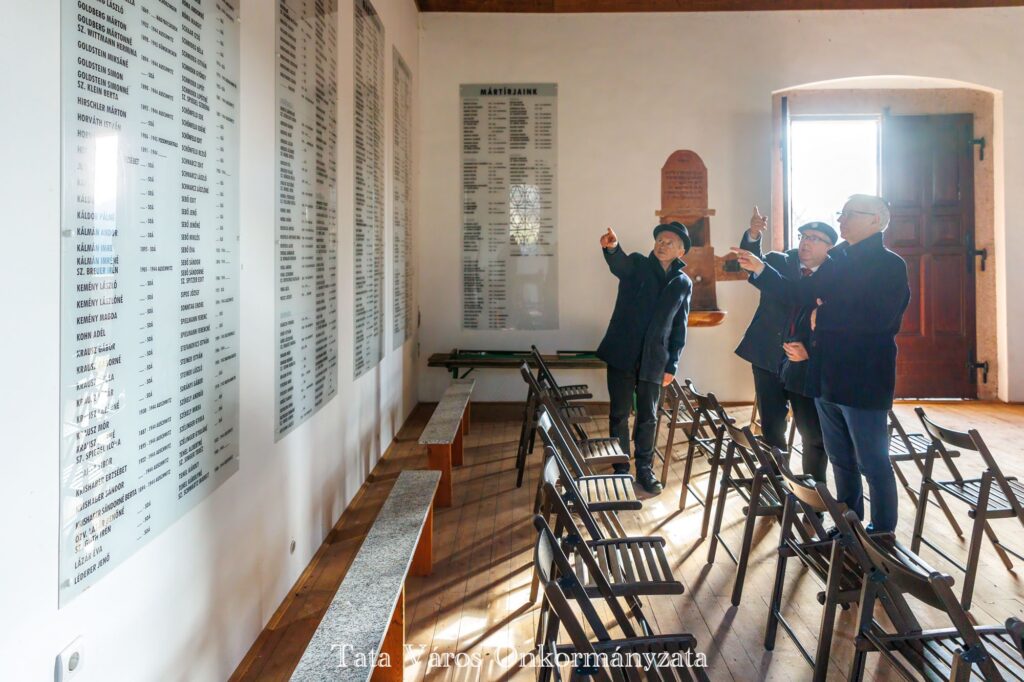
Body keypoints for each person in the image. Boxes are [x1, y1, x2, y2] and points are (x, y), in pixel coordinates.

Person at [732, 195, 910, 533]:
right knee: (840, 460)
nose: (841, 220)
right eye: (841, 213)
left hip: (864, 379)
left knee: (872, 463)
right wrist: (761, 270)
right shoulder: (838, 258)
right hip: (825, 376)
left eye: (850, 214)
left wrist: (822, 315)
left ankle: (882, 534)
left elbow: (879, 319)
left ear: (876, 221)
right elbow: (799, 293)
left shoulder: (890, 265)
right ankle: (848, 526)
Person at [733, 207, 834, 483]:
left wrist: (810, 351)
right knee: (772, 430)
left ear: (829, 247)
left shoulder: (835, 275)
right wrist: (753, 235)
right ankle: (776, 485)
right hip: (767, 356)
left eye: (814, 238)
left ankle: (814, 493)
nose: (805, 242)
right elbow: (751, 261)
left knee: (813, 434)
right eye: (803, 236)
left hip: (804, 364)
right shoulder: (779, 261)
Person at [596, 222, 692, 494]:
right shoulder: (637, 265)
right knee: (619, 413)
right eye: (660, 240)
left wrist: (672, 364)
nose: (662, 245)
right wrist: (613, 248)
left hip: (655, 359)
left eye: (669, 242)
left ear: (681, 251)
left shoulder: (683, 283)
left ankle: (645, 469)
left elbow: (679, 327)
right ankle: (620, 468)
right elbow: (619, 264)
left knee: (649, 417)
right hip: (622, 351)